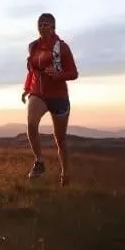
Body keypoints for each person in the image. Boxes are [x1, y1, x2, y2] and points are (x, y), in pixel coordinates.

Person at [21, 12, 79, 187]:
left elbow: (74, 73)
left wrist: (58, 74)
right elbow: (31, 71)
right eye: (40, 23)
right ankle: (39, 162)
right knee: (31, 124)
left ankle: (65, 173)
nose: (42, 26)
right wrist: (26, 89)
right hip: (38, 93)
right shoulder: (33, 47)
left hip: (58, 96)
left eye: (46, 24)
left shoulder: (62, 47)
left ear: (53, 27)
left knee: (60, 139)